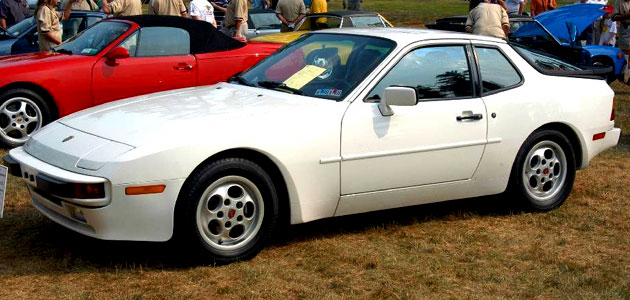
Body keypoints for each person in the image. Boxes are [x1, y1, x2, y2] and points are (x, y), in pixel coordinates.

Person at [612, 0, 630, 83]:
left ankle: (629, 77)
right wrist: (625, 16)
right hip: (625, 28)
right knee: (625, 52)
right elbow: (613, 17)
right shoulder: (618, 2)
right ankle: (622, 74)